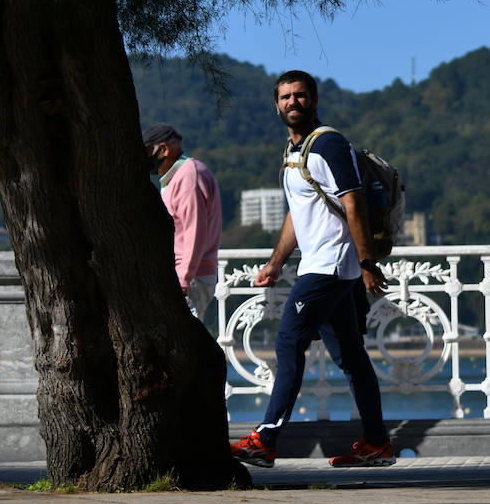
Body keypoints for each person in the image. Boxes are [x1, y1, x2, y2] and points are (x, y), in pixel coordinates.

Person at [230, 69, 394, 469]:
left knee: (288, 345)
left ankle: (265, 440)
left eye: (300, 96)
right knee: (352, 357)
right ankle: (377, 444)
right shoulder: (294, 153)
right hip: (323, 265)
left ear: (315, 100)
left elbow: (352, 203)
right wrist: (275, 262)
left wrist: (367, 261)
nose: (293, 103)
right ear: (276, 104)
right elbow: (297, 213)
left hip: (330, 267)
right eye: (285, 97)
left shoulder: (330, 145)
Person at [142, 123, 222, 319]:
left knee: (186, 343)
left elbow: (193, 231)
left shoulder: (188, 176)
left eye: (146, 152)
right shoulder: (179, 176)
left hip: (189, 278)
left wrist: (184, 280)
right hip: (186, 275)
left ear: (163, 149)